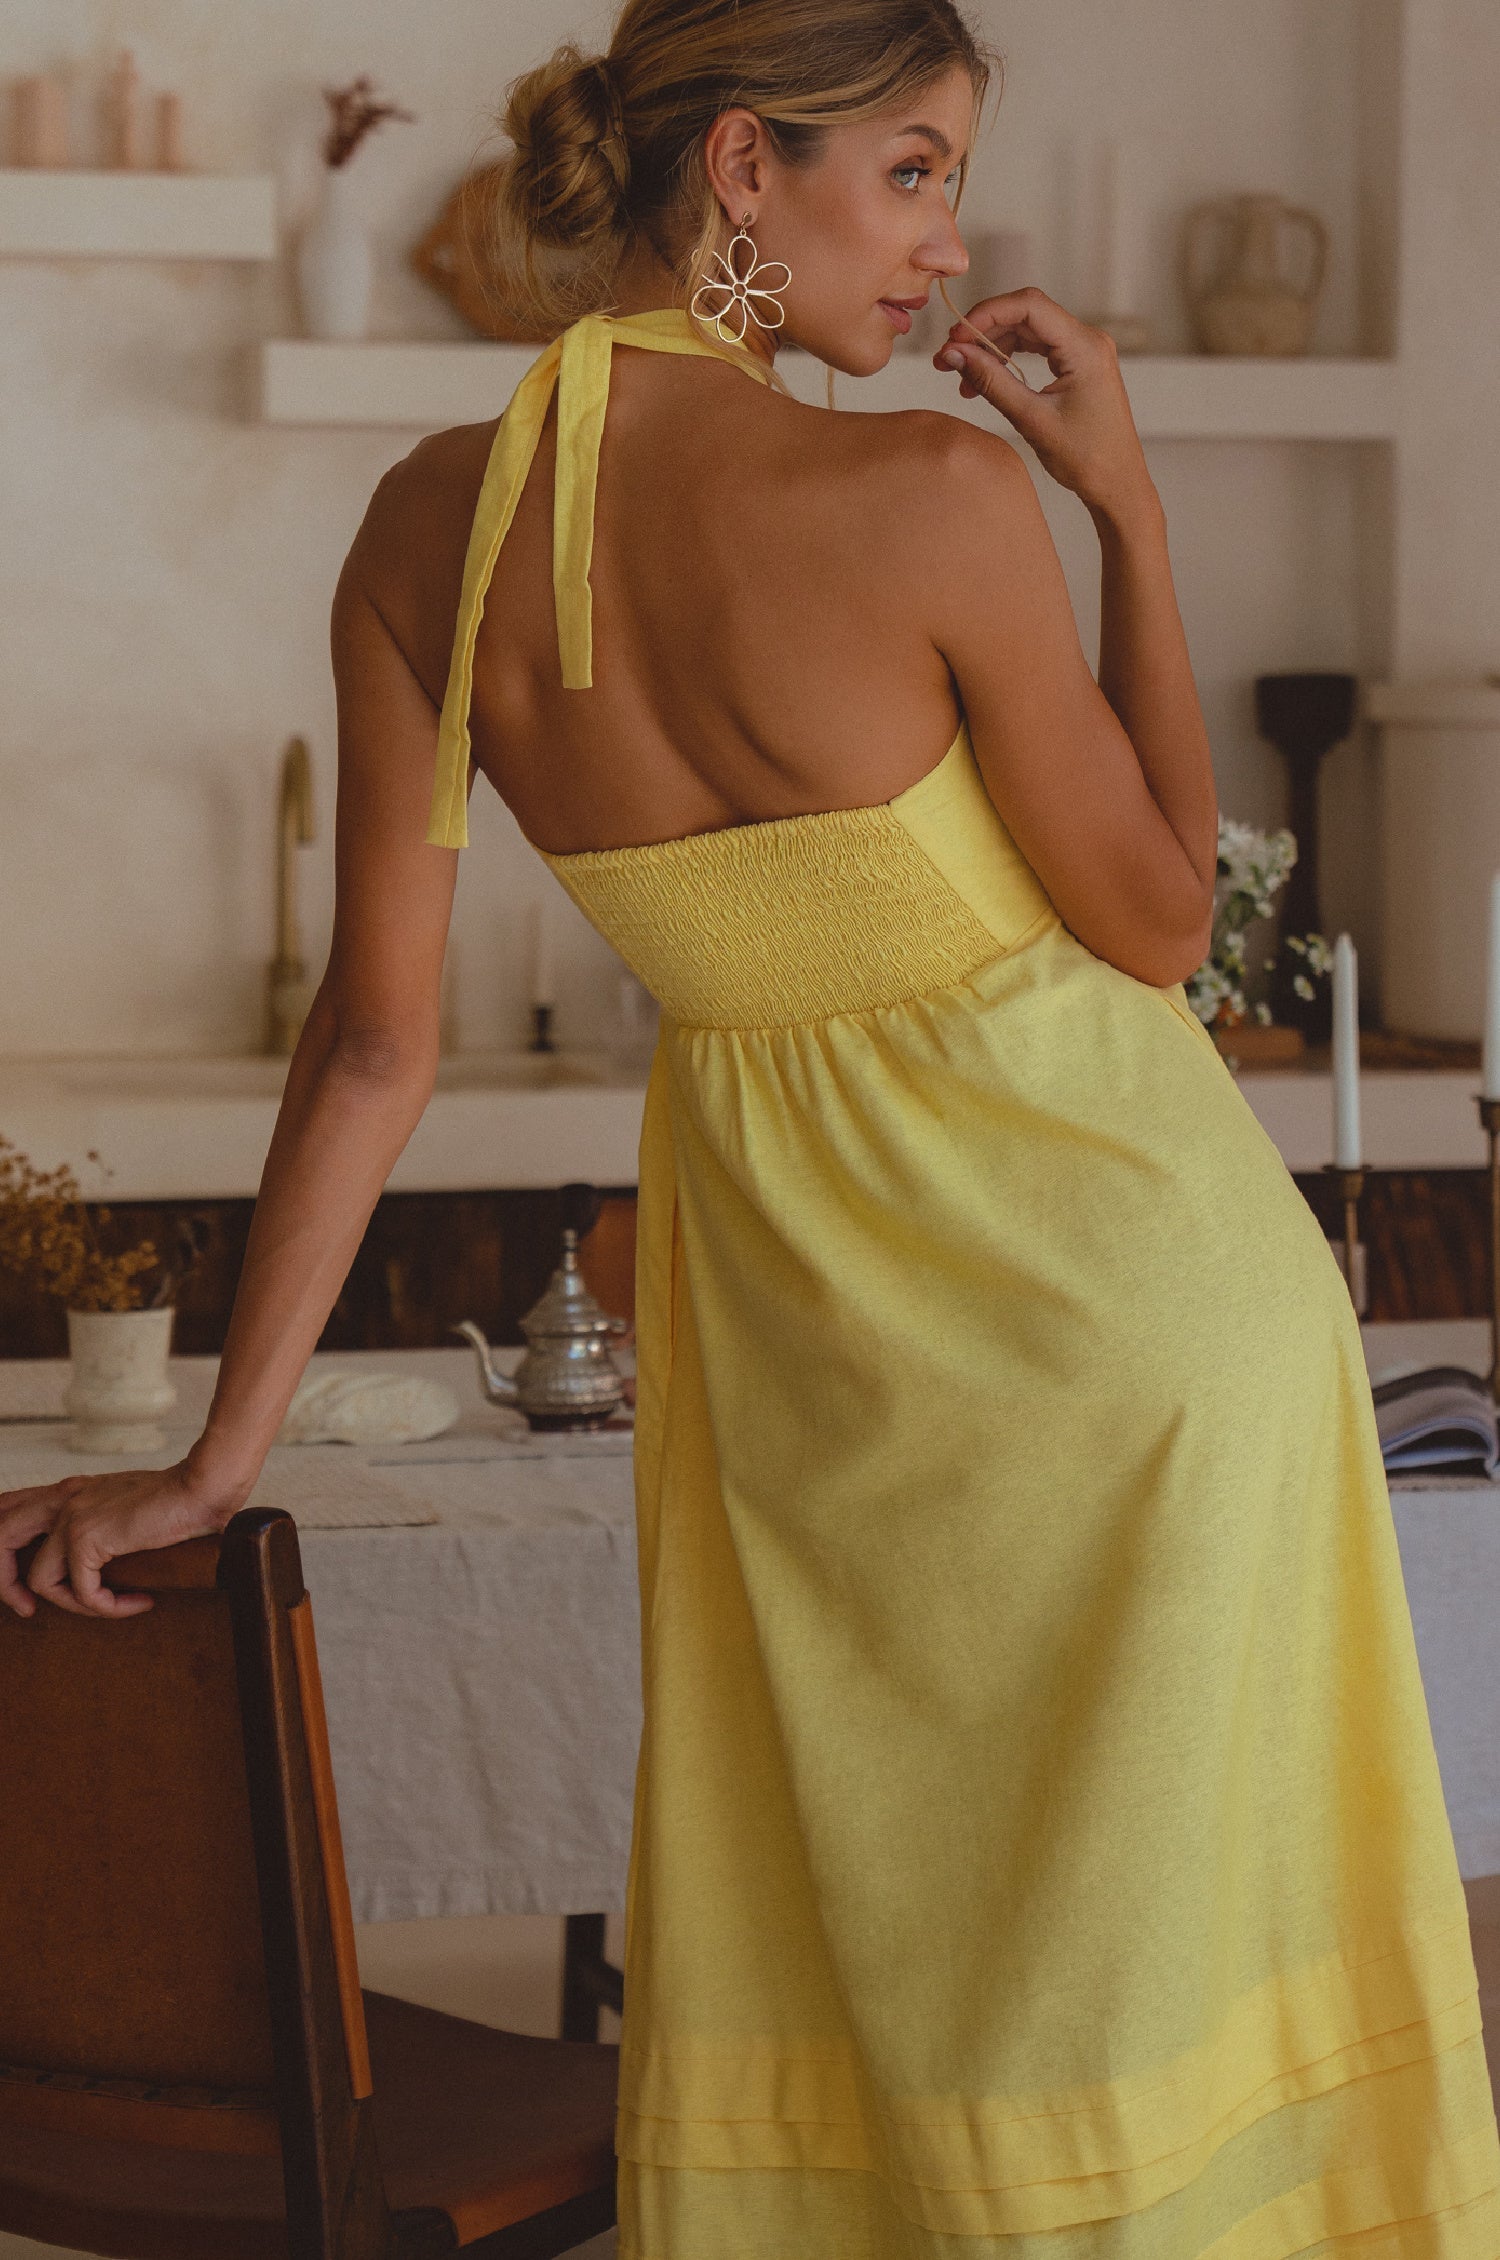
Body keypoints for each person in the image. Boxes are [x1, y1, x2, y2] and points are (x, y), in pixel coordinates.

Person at [5, 0, 1499, 2250]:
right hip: (1139, 1309)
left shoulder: (422, 530)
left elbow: (373, 1046)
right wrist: (1127, 503)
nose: (946, 241)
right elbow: (1166, 923)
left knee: (891, 1955)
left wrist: (222, 1456)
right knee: (1140, 1991)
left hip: (804, 1319)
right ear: (737, 169)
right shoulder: (937, 497)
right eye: (909, 172)